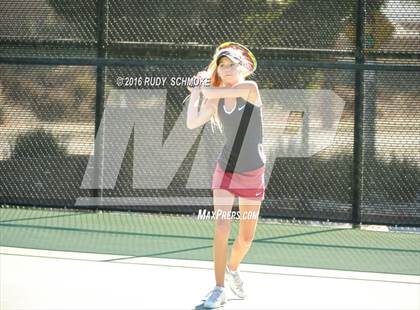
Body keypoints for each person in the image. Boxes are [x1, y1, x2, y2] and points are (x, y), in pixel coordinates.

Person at [186, 42, 266, 309]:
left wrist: (201, 86)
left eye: (232, 64)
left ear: (242, 67)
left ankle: (232, 268)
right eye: (223, 65)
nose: (228, 69)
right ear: (218, 70)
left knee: (245, 238)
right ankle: (219, 288)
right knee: (221, 227)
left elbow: (210, 89)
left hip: (253, 172)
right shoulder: (216, 98)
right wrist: (196, 96)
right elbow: (191, 122)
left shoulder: (250, 89)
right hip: (226, 171)